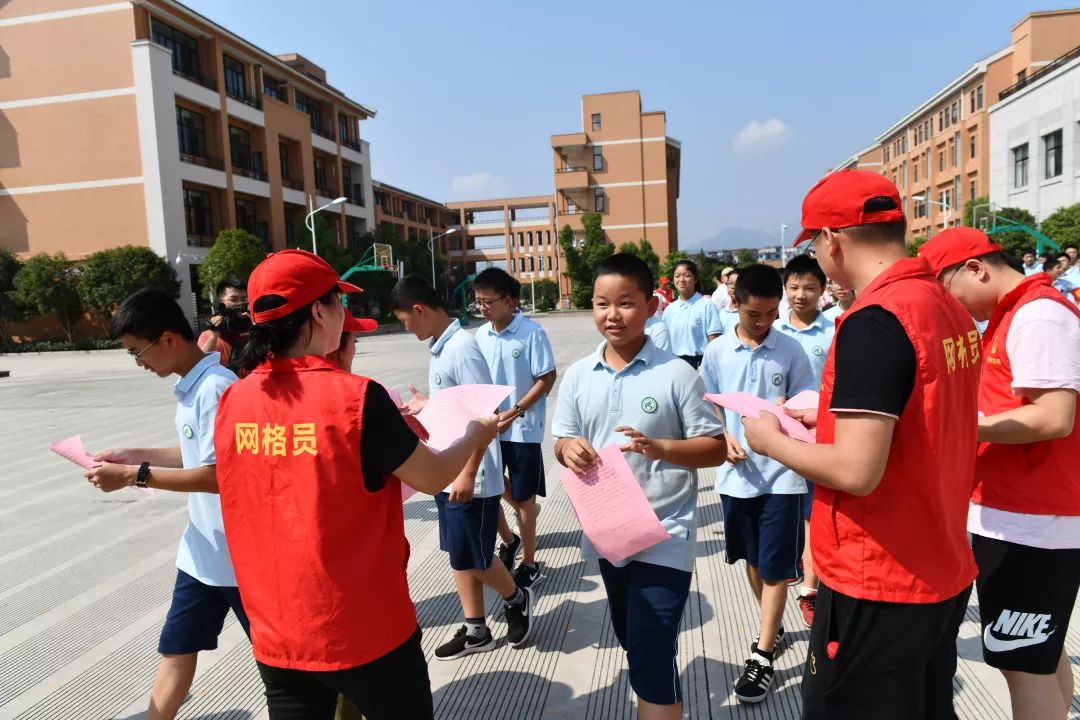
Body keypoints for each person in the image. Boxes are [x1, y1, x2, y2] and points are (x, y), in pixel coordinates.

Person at [212, 250, 499, 720]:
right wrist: (473, 435)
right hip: (363, 628)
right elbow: (432, 477)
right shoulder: (356, 397)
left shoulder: (234, 399)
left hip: (277, 629)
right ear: (319, 312)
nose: (345, 315)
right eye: (339, 303)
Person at [741, 170, 981, 720]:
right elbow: (921, 415)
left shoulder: (875, 319)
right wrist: (825, 417)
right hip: (939, 562)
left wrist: (769, 439)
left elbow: (856, 469)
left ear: (833, 239)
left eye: (817, 248)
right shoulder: (946, 307)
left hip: (879, 575)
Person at [552, 253, 726, 720]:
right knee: (632, 640)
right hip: (609, 532)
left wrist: (661, 448)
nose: (612, 315)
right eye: (601, 303)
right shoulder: (578, 375)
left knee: (651, 655)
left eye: (626, 303)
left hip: (665, 532)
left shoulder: (676, 374)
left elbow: (714, 447)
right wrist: (568, 449)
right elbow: (562, 439)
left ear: (651, 306)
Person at [918, 227, 1080, 720]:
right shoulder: (1017, 313)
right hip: (1020, 512)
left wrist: (963, 429)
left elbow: (1054, 416)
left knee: (1022, 664)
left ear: (976, 268)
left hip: (1033, 519)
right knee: (1038, 657)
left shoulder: (1038, 314)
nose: (957, 306)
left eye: (951, 292)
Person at [84, 288, 249, 720]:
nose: (139, 363)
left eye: (138, 352)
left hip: (241, 561)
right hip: (202, 554)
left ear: (168, 340)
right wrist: (134, 455)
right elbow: (193, 453)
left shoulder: (217, 389)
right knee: (175, 649)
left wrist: (134, 476)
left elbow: (218, 476)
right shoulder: (191, 387)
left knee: (280, 664)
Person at [390, 275, 536, 660]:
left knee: (473, 554)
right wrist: (429, 405)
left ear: (419, 310)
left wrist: (468, 472)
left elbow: (482, 415)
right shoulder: (442, 348)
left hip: (470, 474)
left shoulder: (461, 349)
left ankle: (517, 597)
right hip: (448, 467)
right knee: (459, 553)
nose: (407, 328)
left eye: (405, 320)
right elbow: (458, 406)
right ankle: (476, 628)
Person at [699, 264, 815, 704]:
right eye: (754, 314)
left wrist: (794, 409)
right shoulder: (718, 353)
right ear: (735, 304)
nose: (764, 322)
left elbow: (808, 400)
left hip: (783, 475)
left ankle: (763, 654)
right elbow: (707, 401)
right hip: (736, 475)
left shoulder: (790, 350)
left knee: (775, 567)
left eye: (770, 313)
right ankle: (774, 624)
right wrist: (722, 436)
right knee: (752, 561)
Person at [471, 268, 557, 589]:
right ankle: (509, 540)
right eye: (478, 302)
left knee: (523, 498)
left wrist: (516, 409)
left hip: (522, 430)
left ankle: (529, 562)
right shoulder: (480, 336)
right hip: (490, 429)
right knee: (489, 492)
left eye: (488, 301)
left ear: (510, 301)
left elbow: (546, 379)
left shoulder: (531, 333)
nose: (482, 308)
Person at [773, 253, 835, 627]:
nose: (801, 294)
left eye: (810, 287)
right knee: (787, 511)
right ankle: (791, 571)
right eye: (794, 287)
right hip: (781, 435)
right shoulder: (775, 332)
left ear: (822, 290)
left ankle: (809, 589)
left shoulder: (835, 330)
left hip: (822, 434)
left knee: (815, 514)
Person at [662, 260, 722, 369]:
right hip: (674, 364)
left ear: (695, 279)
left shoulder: (706, 305)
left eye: (687, 275)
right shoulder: (669, 309)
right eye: (677, 276)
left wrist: (705, 367)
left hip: (700, 364)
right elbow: (665, 341)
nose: (681, 280)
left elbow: (715, 343)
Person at [198, 279, 250, 371]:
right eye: (233, 299)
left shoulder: (256, 330)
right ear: (221, 304)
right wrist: (213, 336)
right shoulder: (208, 335)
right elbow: (200, 366)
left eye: (244, 298)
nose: (240, 303)